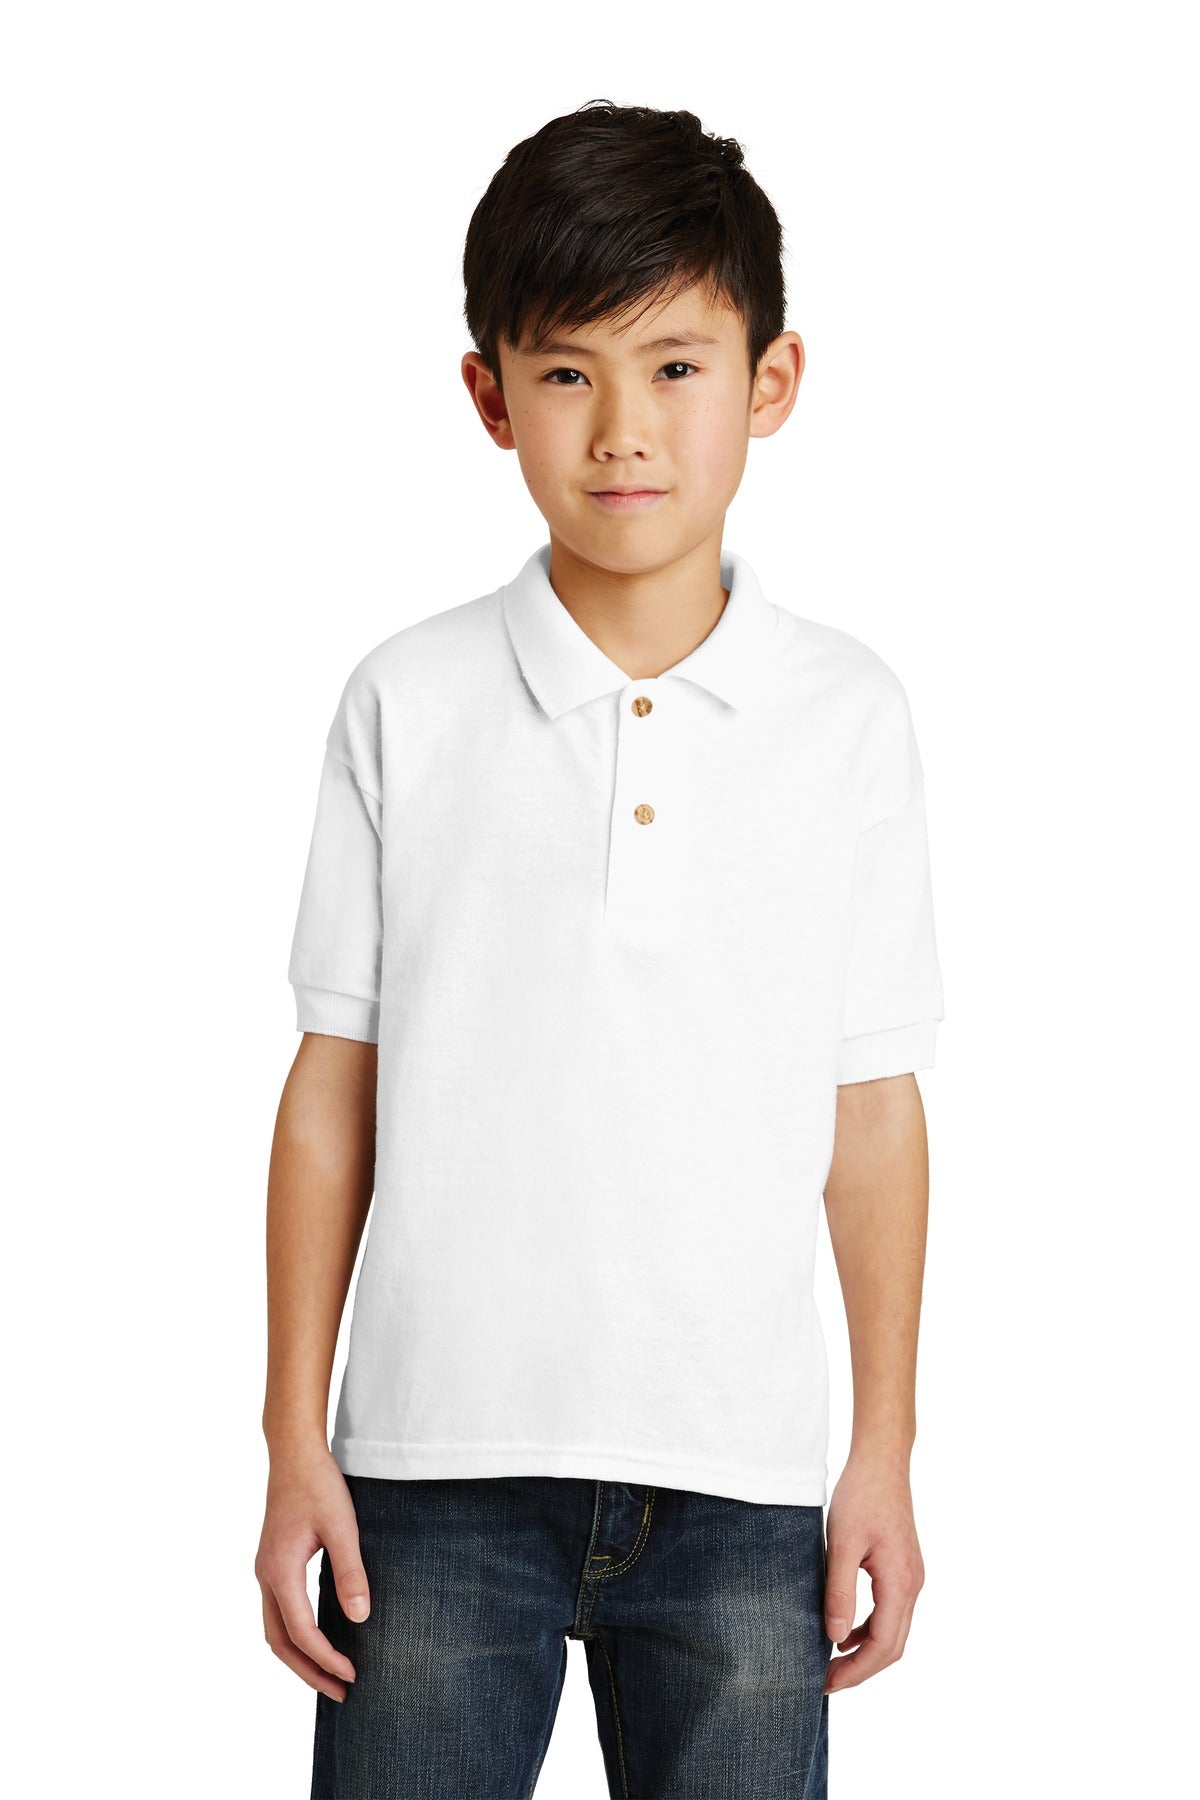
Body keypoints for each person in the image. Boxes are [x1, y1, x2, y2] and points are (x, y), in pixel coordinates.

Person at [256, 97, 945, 1800]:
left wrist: (884, 1447)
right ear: (490, 396)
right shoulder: (408, 700)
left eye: (675, 366)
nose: (623, 429)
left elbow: (872, 1109)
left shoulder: (848, 716)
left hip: (742, 1481)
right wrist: (291, 1438)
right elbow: (334, 1085)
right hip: (431, 1473)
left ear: (771, 382)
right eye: (566, 372)